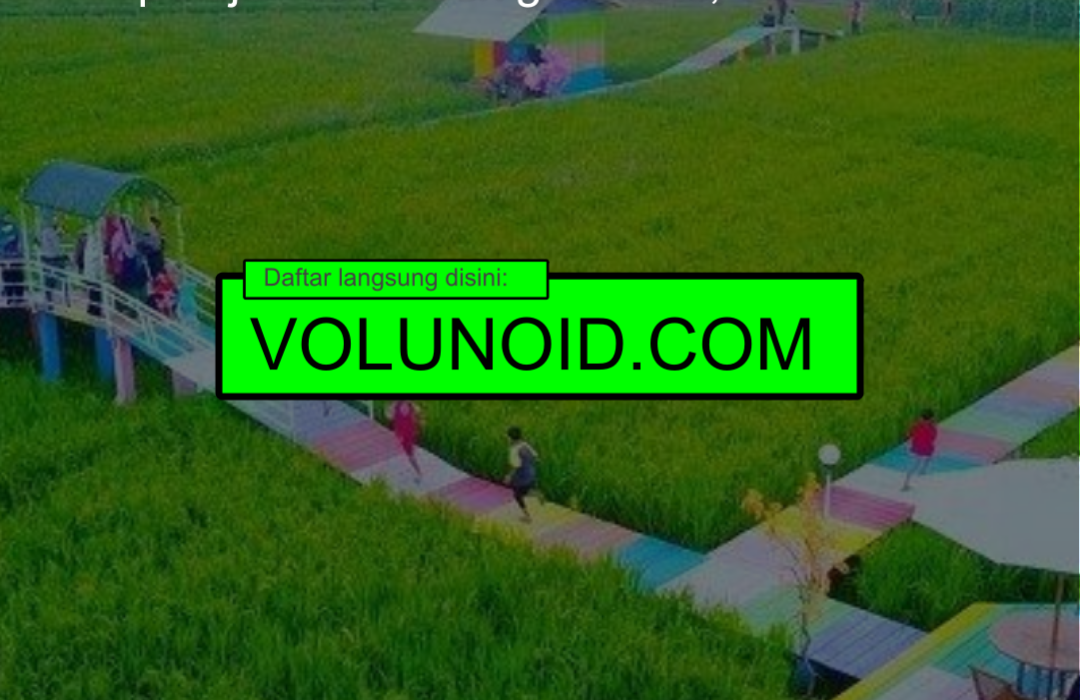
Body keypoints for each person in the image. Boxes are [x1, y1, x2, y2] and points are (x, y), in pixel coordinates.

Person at [504, 426, 540, 523]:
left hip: (522, 477)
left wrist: (508, 476)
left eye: (507, 437)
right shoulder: (525, 444)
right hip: (531, 474)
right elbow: (536, 457)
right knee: (525, 490)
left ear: (510, 438)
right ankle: (537, 494)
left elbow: (516, 466)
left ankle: (527, 517)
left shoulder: (513, 450)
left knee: (517, 495)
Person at [902, 409, 938, 491]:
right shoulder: (932, 428)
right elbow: (933, 438)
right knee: (929, 456)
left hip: (916, 448)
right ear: (931, 418)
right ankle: (923, 470)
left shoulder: (916, 426)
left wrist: (908, 438)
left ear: (921, 418)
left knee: (914, 465)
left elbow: (908, 434)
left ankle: (906, 484)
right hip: (927, 449)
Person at [388, 400, 423, 482]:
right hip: (402, 434)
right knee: (408, 454)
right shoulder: (397, 405)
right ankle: (418, 472)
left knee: (410, 456)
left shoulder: (408, 405)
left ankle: (419, 473)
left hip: (407, 435)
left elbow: (418, 410)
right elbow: (390, 417)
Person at [38, 214, 68, 305]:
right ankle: (59, 299)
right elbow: (56, 247)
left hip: (49, 258)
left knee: (51, 280)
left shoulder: (48, 231)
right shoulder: (49, 231)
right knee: (53, 279)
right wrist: (64, 256)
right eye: (56, 220)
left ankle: (53, 299)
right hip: (51, 259)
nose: (57, 222)